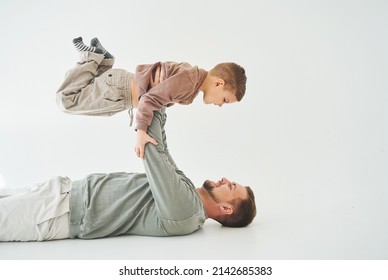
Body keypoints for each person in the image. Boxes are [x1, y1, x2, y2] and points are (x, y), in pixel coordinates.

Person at [0, 109, 256, 242]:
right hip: (64, 192)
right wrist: (164, 100)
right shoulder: (187, 189)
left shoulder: (187, 212)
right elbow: (163, 148)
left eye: (231, 186)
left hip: (58, 213)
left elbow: (154, 153)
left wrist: (154, 100)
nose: (225, 179)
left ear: (225, 208)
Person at [56, 37, 247, 159]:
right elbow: (149, 100)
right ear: (219, 84)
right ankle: (91, 57)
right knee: (66, 100)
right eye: (225, 100)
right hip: (118, 91)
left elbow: (159, 89)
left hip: (120, 91)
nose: (221, 105)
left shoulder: (193, 78)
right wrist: (140, 131)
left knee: (88, 99)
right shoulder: (189, 81)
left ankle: (103, 60)